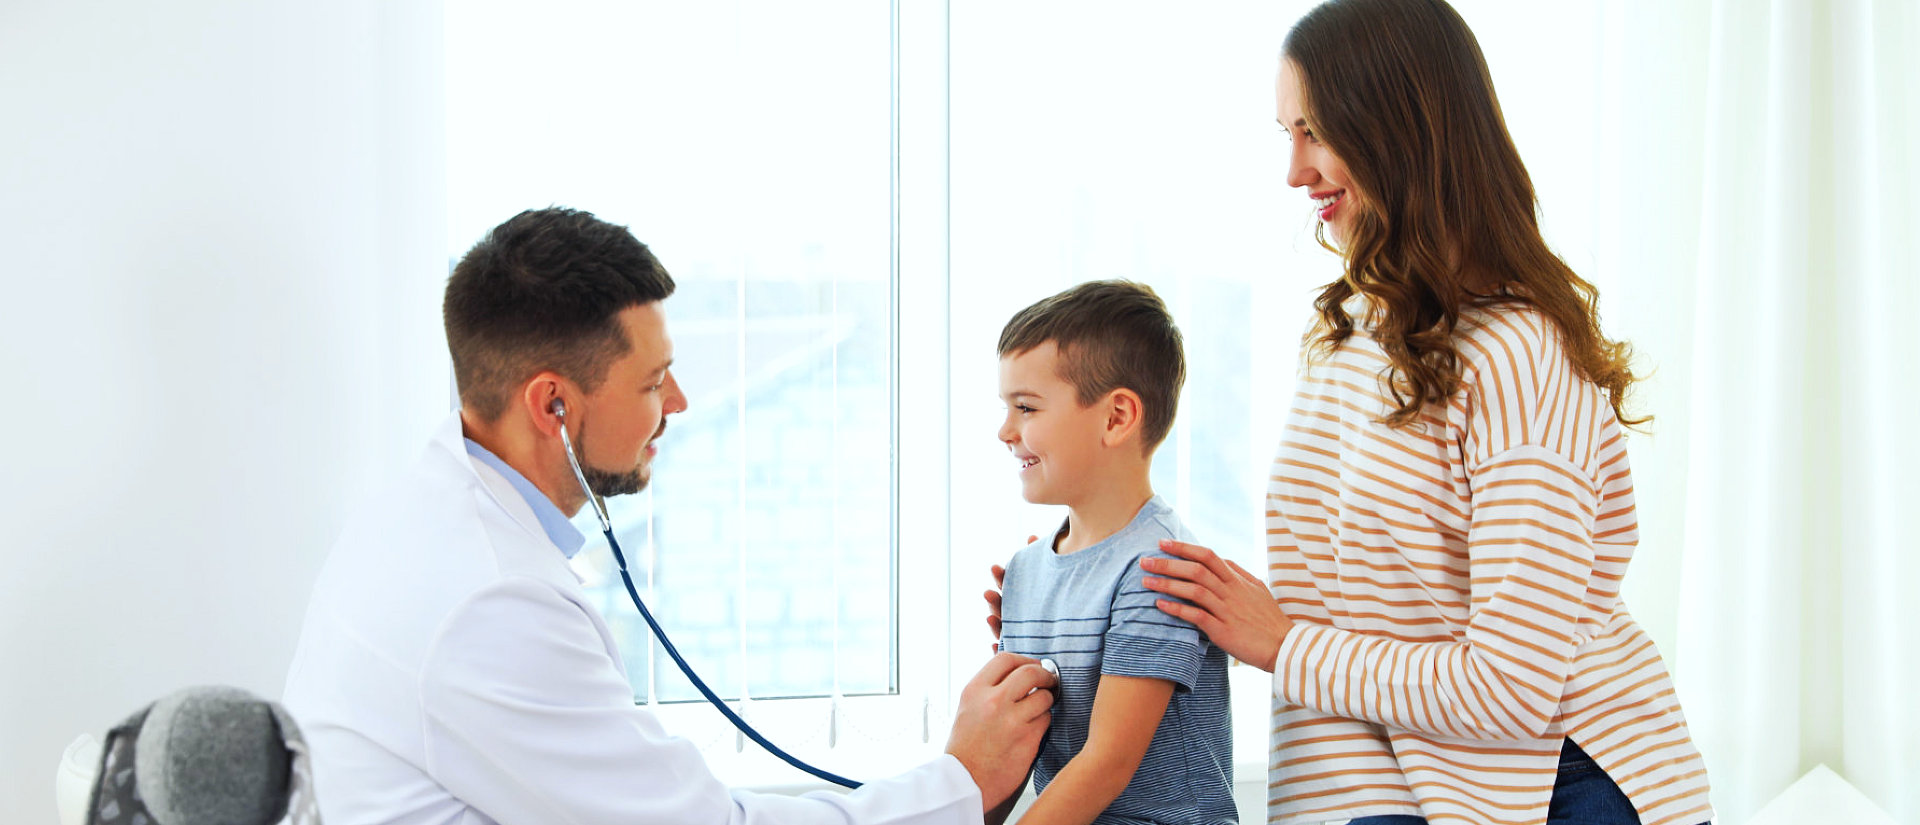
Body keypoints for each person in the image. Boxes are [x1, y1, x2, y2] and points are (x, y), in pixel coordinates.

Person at [1134, 2, 1716, 824]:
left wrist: (1283, 645)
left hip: (1560, 777)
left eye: (1316, 131)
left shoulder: (1517, 350)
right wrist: (1093, 599)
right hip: (1396, 773)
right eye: (1286, 134)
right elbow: (1343, 592)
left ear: (1398, 128)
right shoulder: (1345, 329)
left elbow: (1511, 687)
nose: (1295, 172)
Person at [283, 207, 1056, 825]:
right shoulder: (492, 601)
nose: (679, 403)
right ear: (552, 403)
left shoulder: (417, 515)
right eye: (654, 381)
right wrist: (960, 780)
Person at [989, 281, 1235, 825]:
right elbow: (1010, 751)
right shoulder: (1026, 572)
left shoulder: (1160, 569)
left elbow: (1107, 763)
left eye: (1025, 407)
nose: (1005, 431)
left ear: (1117, 417)